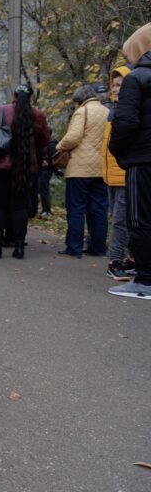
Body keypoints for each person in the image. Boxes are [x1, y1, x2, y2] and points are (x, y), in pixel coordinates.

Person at [0, 84, 50, 259]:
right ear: (31, 97)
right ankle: (19, 248)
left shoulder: (0, 111)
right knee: (20, 207)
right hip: (25, 167)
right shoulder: (38, 115)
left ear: (14, 95)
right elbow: (44, 141)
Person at [108, 22, 151, 299]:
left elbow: (124, 123)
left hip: (143, 160)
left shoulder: (137, 78)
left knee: (141, 219)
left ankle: (145, 280)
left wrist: (119, 152)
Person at [55, 85, 110, 258]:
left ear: (79, 101)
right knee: (98, 209)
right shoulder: (106, 111)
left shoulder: (82, 112)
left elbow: (73, 137)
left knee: (76, 208)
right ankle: (98, 247)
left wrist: (59, 146)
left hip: (79, 169)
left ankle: (74, 247)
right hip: (101, 168)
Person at [102, 65, 134, 280]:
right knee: (120, 218)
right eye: (113, 84)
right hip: (112, 175)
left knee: (122, 220)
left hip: (123, 173)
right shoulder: (113, 110)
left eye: (120, 85)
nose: (115, 89)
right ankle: (126, 259)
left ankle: (116, 260)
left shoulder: (127, 111)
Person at [38, 130, 57, 216]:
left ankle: (47, 210)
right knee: (43, 190)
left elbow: (53, 158)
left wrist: (47, 163)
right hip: (43, 170)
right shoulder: (45, 143)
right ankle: (45, 209)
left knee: (44, 190)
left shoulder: (51, 144)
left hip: (46, 170)